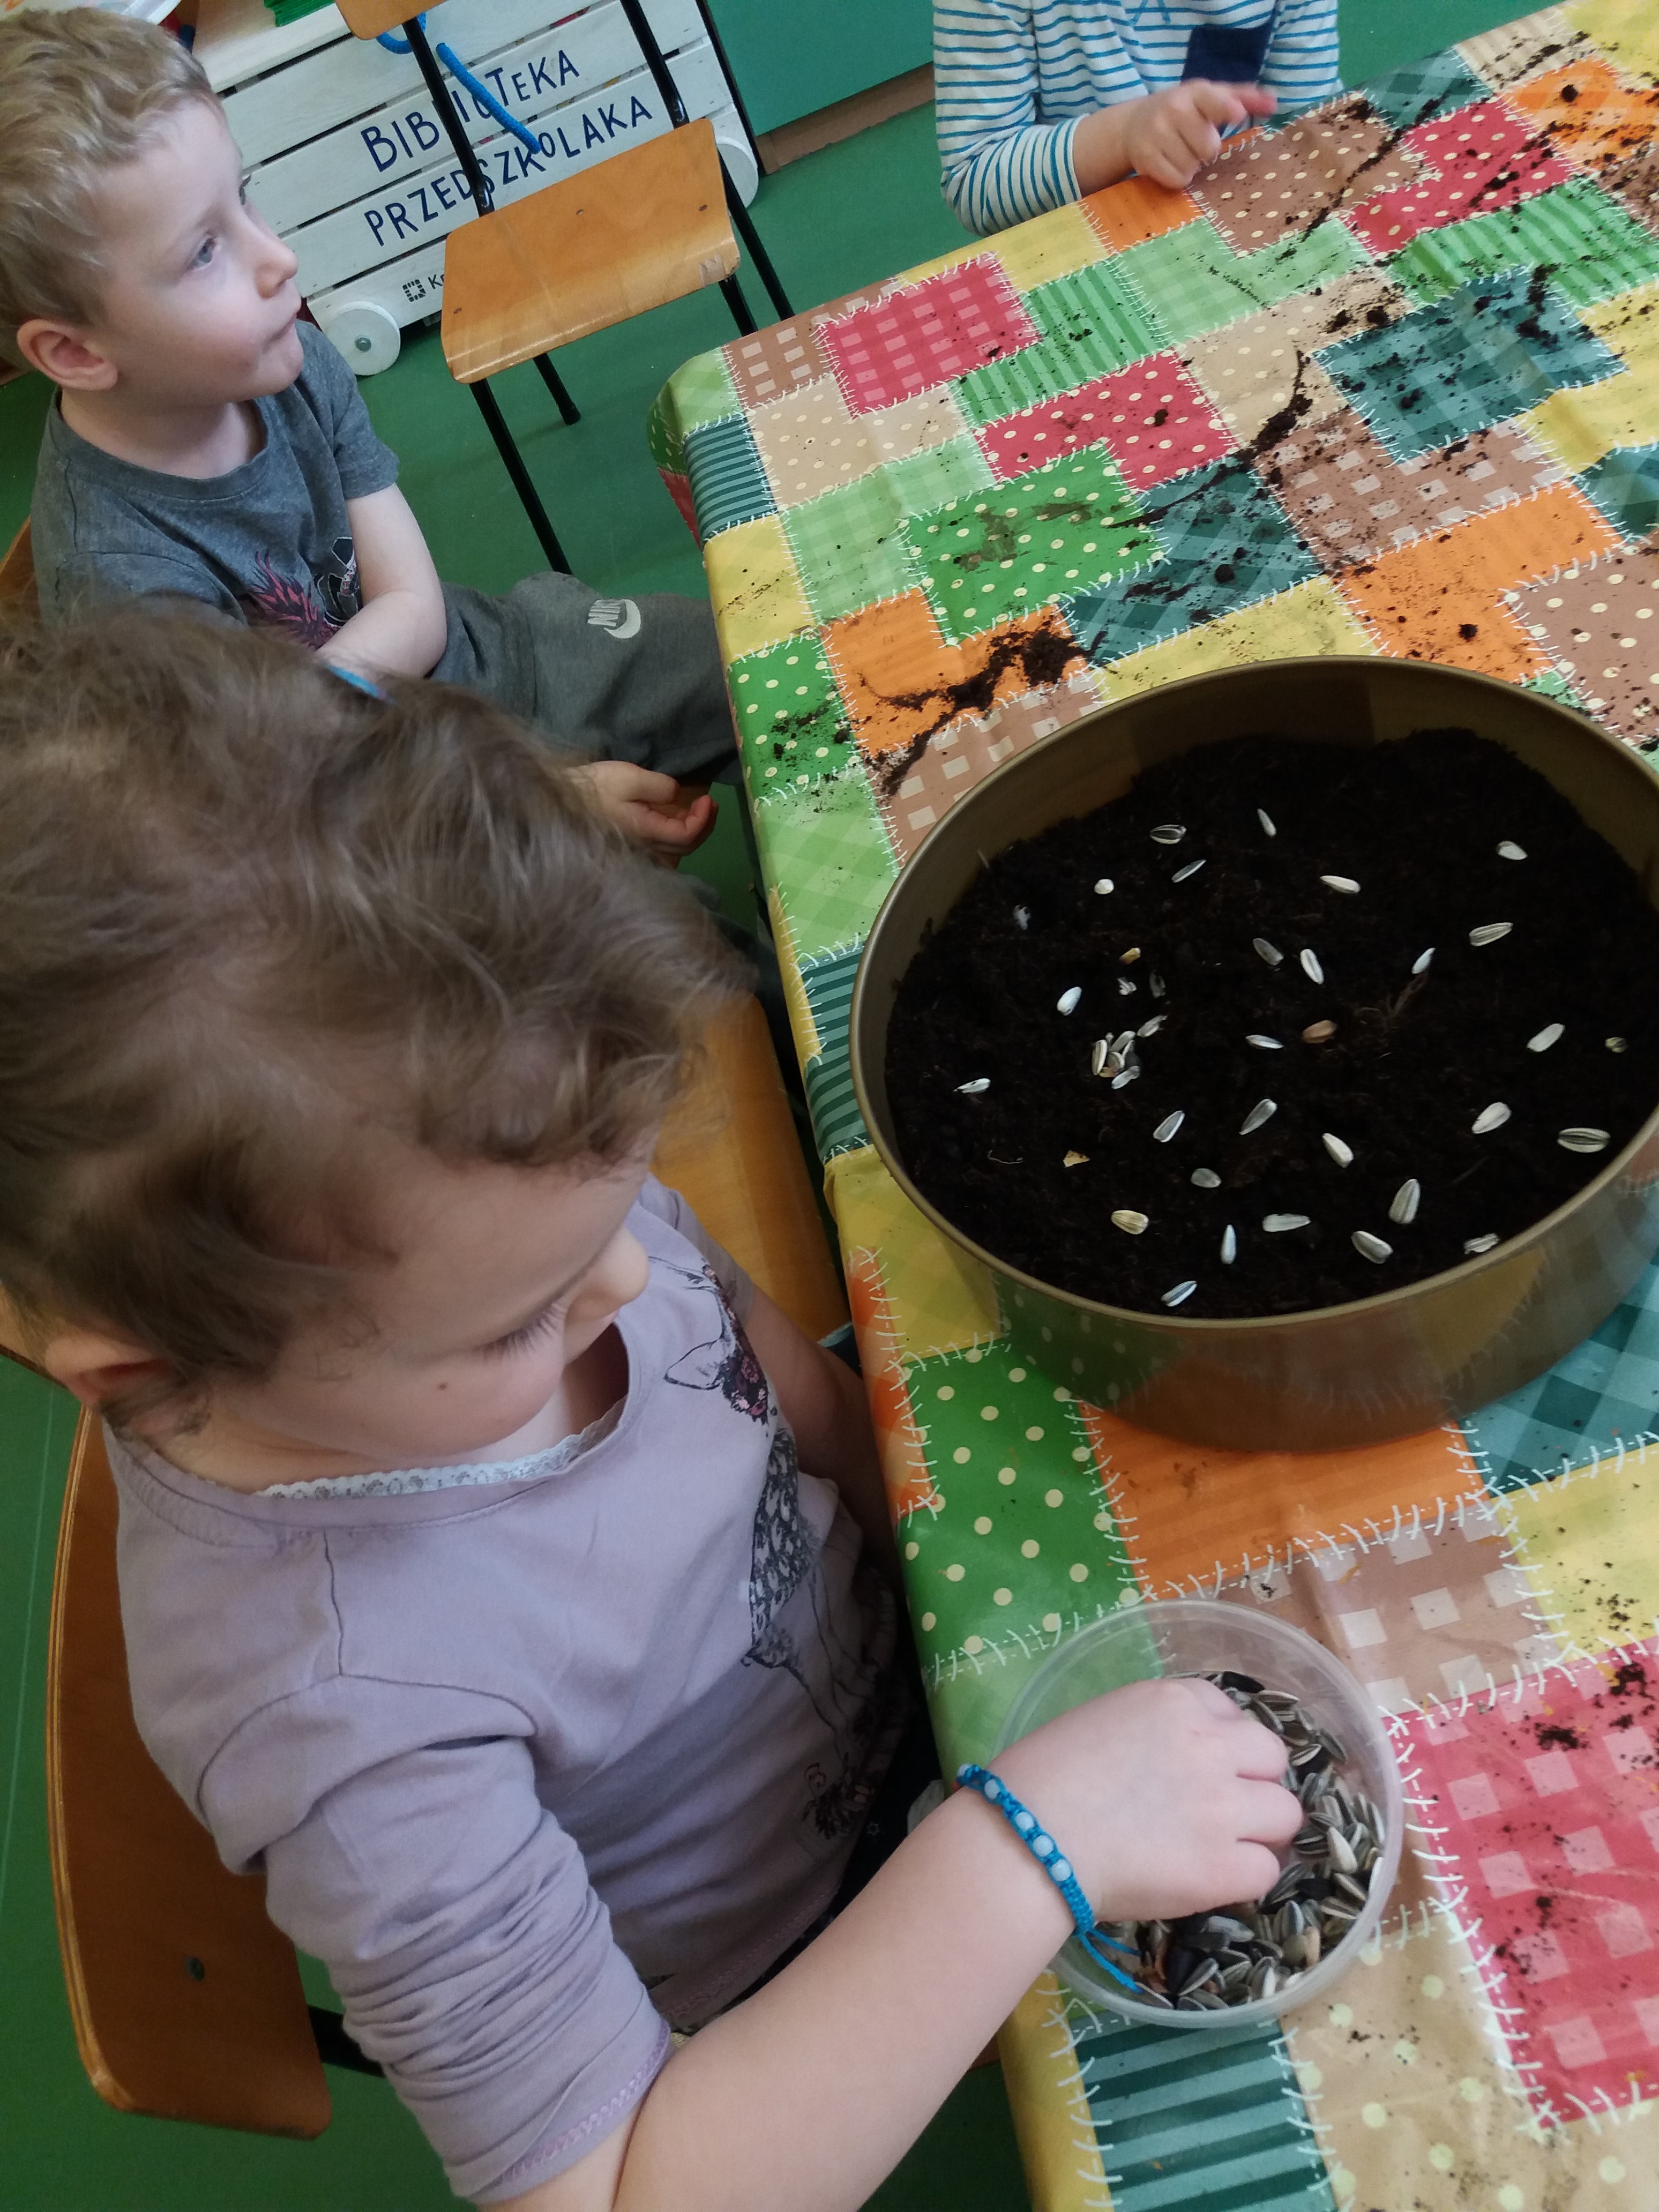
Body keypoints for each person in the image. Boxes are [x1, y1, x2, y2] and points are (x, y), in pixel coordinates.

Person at [0, 608, 1303, 2211]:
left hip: (939, 1693)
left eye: (622, 1204)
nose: (630, 1277)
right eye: (517, 1316)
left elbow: (775, 1378)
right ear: (146, 1368)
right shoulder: (340, 1719)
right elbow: (626, 2189)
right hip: (822, 1965)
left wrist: (967, 1573)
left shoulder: (491, 1204)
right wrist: (1027, 1843)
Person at [0, 8, 729, 863]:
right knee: (677, 941)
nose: (279, 261)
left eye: (244, 195)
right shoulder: (119, 582)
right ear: (76, 353)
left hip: (494, 665)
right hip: (385, 820)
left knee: (757, 656)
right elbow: (288, 805)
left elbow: (417, 610)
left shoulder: (292, 358)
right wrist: (540, 797)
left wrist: (339, 694)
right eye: (204, 252)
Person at [936, 0, 1342, 236]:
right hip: (1082, 260)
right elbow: (976, 183)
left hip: (1246, 224)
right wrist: (1123, 136)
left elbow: (1315, 135)